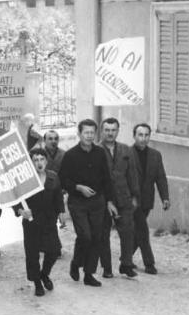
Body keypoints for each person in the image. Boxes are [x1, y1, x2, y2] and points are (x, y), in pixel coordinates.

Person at [59, 119, 115, 287]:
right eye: (86, 133)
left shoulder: (100, 153)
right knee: (85, 236)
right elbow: (62, 180)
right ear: (79, 134)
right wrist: (78, 187)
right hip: (78, 203)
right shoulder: (70, 155)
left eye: (92, 133)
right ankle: (76, 263)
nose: (89, 136)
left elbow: (107, 178)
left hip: (97, 202)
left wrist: (110, 201)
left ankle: (89, 274)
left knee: (96, 237)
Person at [14, 148, 65, 296]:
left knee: (54, 250)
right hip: (32, 221)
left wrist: (61, 212)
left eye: (42, 159)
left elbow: (58, 196)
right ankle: (37, 282)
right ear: (31, 163)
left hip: (49, 220)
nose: (39, 163)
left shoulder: (53, 177)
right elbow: (15, 199)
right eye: (35, 160)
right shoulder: (25, 179)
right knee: (32, 254)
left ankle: (44, 274)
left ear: (47, 161)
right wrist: (21, 211)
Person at [98, 118, 139, 278]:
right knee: (103, 234)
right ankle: (107, 267)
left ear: (118, 131)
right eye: (107, 130)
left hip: (124, 198)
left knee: (128, 232)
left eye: (113, 130)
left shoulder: (126, 150)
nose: (110, 133)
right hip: (103, 200)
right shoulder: (96, 150)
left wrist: (135, 196)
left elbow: (132, 174)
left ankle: (126, 265)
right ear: (102, 131)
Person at [131, 123, 170, 275]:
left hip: (147, 200)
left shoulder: (155, 155)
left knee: (137, 232)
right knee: (142, 230)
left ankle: (125, 257)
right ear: (134, 136)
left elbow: (161, 177)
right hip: (131, 201)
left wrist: (165, 197)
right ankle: (149, 263)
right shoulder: (126, 153)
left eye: (146, 135)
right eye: (140, 135)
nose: (143, 138)